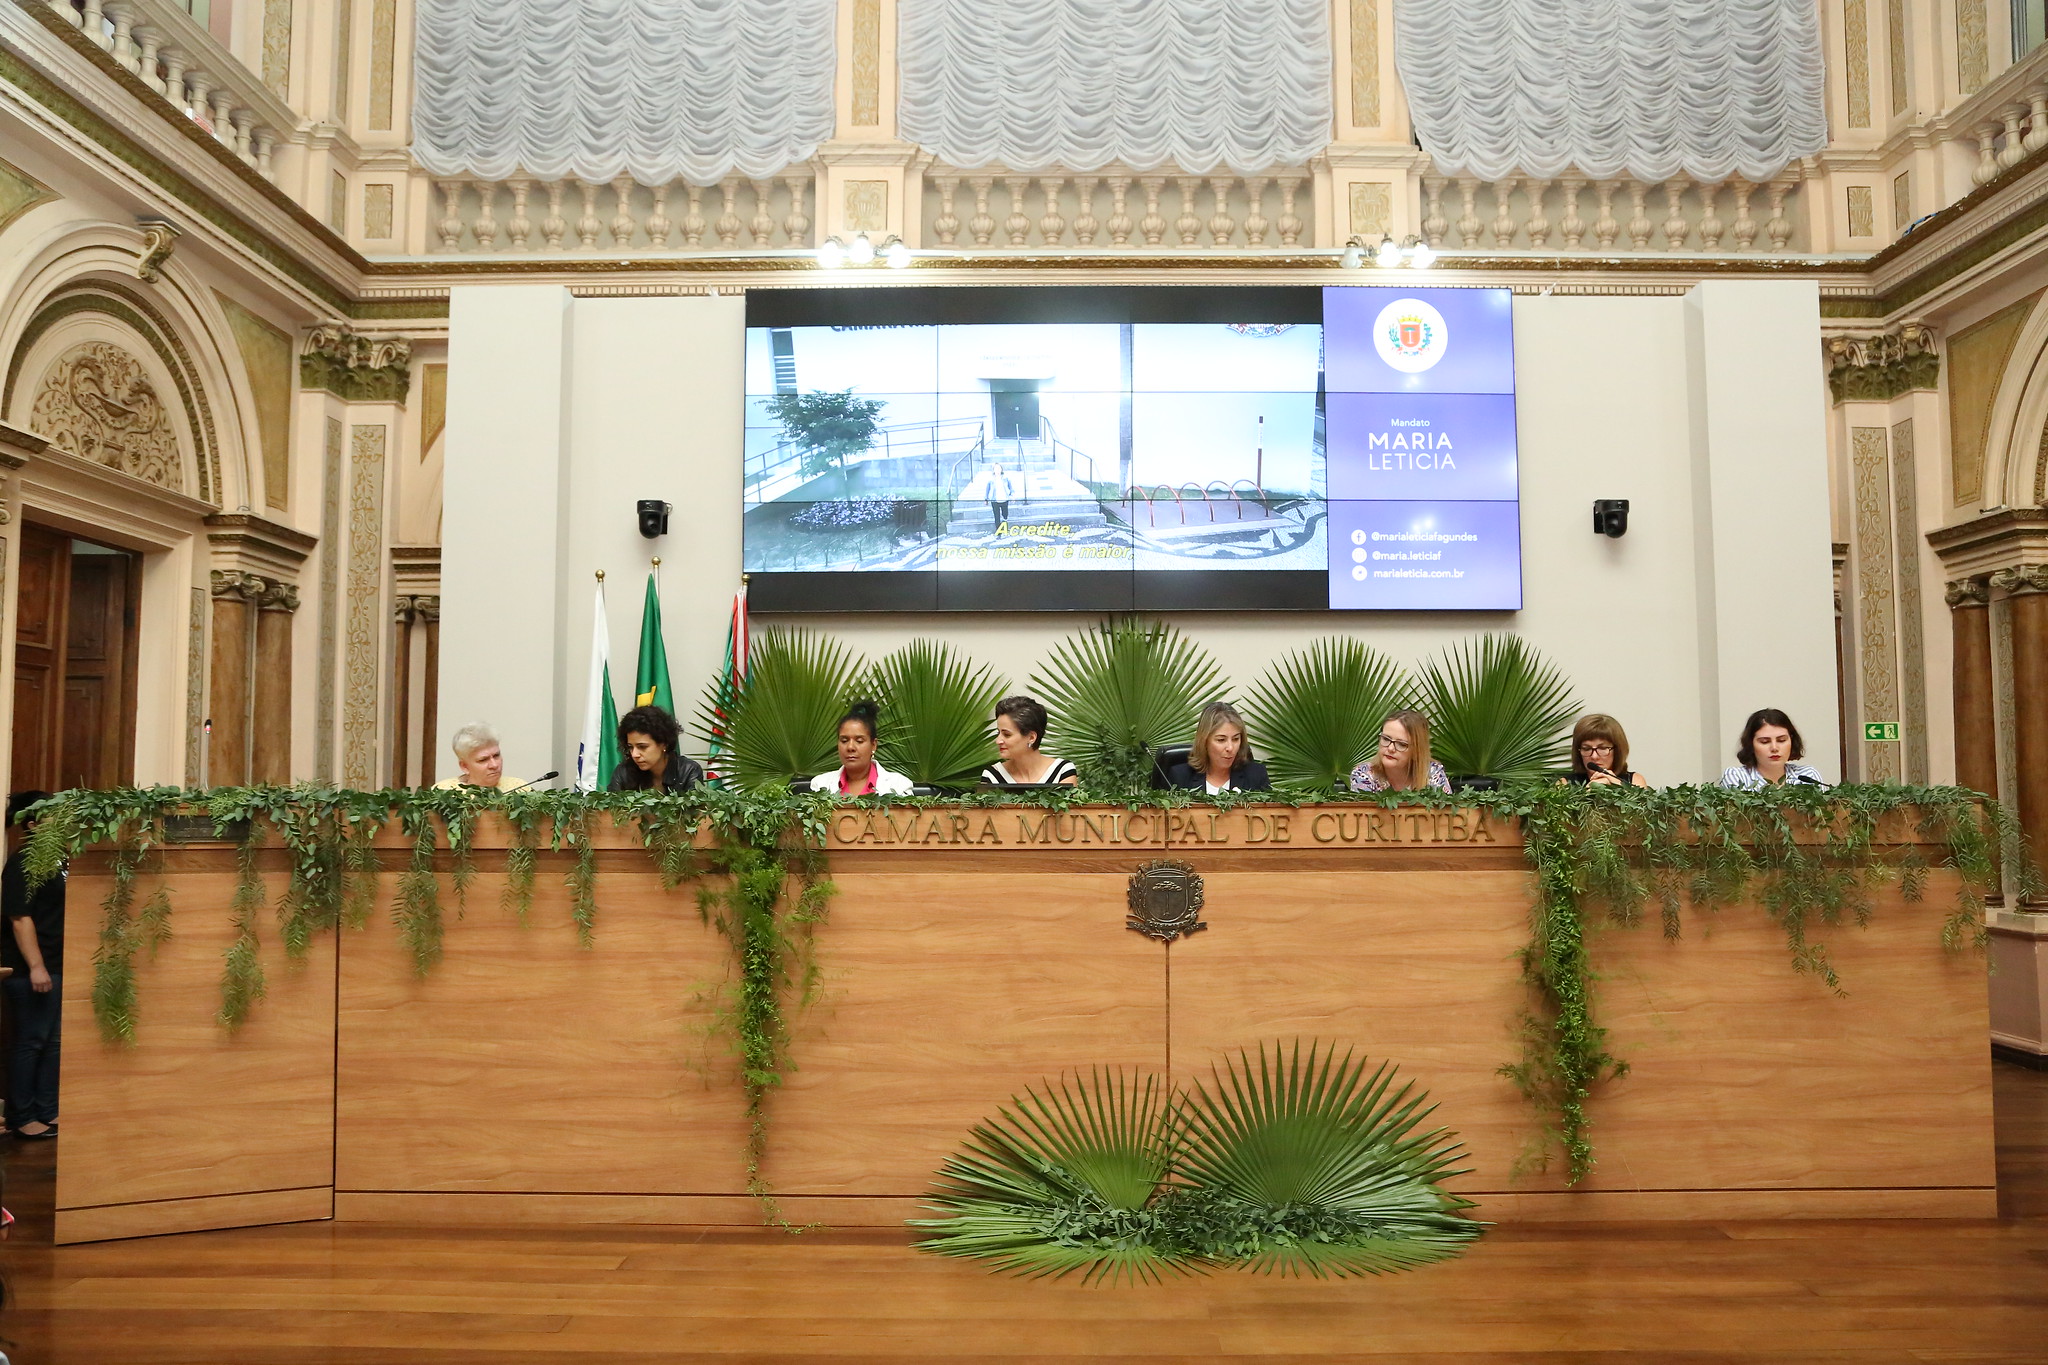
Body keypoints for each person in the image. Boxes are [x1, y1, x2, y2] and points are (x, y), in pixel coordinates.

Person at [2, 792, 62, 1141]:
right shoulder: (24, 860)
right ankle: (22, 1116)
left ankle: (47, 1109)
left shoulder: (57, 860)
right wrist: (36, 966)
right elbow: (19, 917)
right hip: (31, 970)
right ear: (34, 823)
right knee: (31, 1042)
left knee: (52, 1043)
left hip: (57, 962)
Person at [809, 700, 915, 796]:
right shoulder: (820, 785)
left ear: (873, 745)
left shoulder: (899, 786)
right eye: (844, 741)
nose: (850, 747)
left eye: (859, 741)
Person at [1164, 702, 1272, 793]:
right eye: (1221, 740)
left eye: (1235, 739)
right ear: (1204, 741)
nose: (1230, 748)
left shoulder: (1256, 775)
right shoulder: (1180, 777)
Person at [980, 695, 1079, 786]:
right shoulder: (992, 776)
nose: (998, 741)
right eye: (998, 733)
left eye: (1007, 734)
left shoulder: (1062, 771)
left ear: (1031, 737)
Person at [1719, 709, 1829, 789]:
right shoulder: (1736, 776)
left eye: (1781, 740)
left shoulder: (1808, 775)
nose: (1774, 748)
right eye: (1765, 742)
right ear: (1751, 744)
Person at [1348, 709, 1451, 793]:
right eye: (1386, 739)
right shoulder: (1364, 774)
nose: (1390, 748)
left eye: (1401, 744)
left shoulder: (1433, 773)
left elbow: (1446, 816)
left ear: (1416, 751)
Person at [607, 705, 704, 793]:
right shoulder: (624, 772)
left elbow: (695, 811)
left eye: (642, 747)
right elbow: (611, 811)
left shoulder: (688, 771)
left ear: (664, 744)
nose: (634, 754)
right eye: (630, 747)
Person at [1565, 714, 1650, 788]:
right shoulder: (1564, 784)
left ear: (1616, 750)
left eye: (1602, 748)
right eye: (1587, 749)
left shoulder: (1635, 780)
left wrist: (1618, 789)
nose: (1594, 756)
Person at [433, 722, 505, 789]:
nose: (494, 765)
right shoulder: (443, 791)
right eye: (483, 760)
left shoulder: (515, 788)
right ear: (465, 766)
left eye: (496, 756)